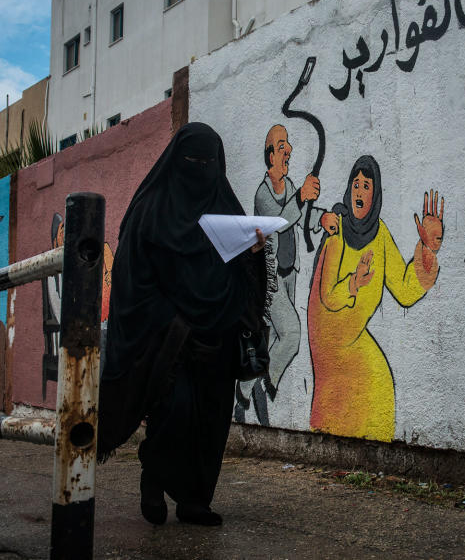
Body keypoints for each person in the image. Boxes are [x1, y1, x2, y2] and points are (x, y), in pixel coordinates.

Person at [97, 122, 268, 527]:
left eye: (209, 163)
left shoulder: (224, 206)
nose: (200, 170)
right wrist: (170, 321)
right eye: (193, 161)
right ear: (177, 161)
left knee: (211, 420)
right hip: (170, 336)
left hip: (218, 334)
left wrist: (253, 249)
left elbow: (244, 269)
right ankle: (153, 479)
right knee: (174, 412)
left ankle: (196, 501)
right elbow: (131, 280)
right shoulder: (150, 210)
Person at [306, 155, 443, 442]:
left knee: (378, 383)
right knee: (369, 381)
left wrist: (427, 248)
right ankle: (339, 450)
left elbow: (404, 290)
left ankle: (362, 456)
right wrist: (354, 282)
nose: (358, 190)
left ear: (375, 194)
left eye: (366, 186)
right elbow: (328, 296)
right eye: (355, 184)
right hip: (329, 335)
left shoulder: (379, 235)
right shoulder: (337, 229)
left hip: (353, 335)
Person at [239, 124, 336, 424]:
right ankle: (266, 385)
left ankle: (244, 396)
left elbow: (302, 217)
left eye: (288, 145)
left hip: (288, 275)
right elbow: (278, 221)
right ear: (270, 156)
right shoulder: (262, 194)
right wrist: (302, 198)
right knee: (291, 335)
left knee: (270, 342)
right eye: (282, 146)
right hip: (270, 281)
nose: (289, 150)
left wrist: (323, 217)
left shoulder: (289, 187)